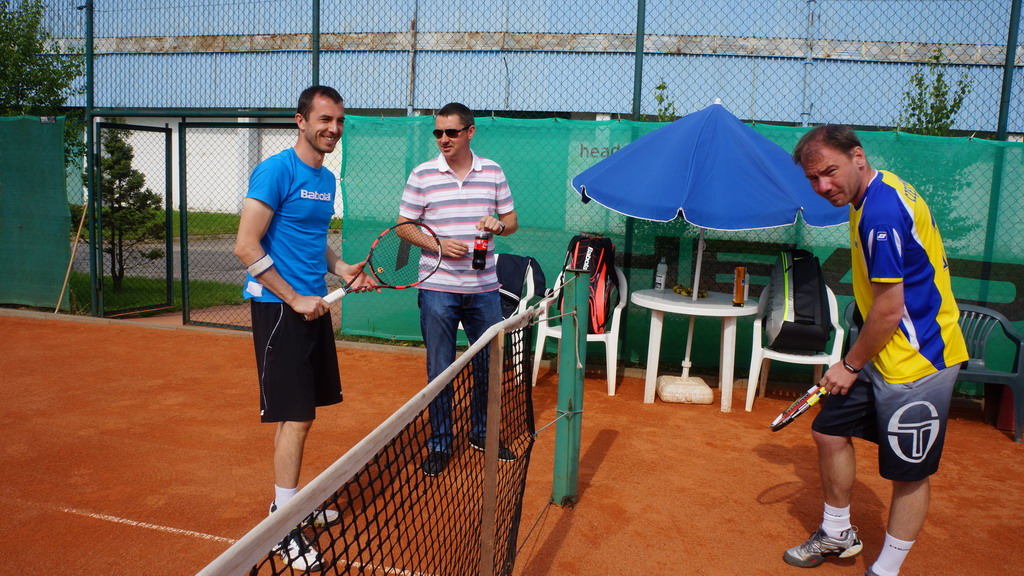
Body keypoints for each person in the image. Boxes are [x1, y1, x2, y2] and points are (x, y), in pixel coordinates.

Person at [785, 125, 968, 576]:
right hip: (886, 350)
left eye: (830, 172)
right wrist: (857, 359)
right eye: (813, 179)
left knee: (908, 473)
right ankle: (837, 533)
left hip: (919, 360)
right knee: (829, 431)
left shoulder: (880, 213)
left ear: (857, 157)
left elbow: (889, 309)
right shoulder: (869, 193)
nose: (824, 186)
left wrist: (849, 364)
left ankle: (885, 570)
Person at [233, 85, 374, 571]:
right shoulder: (276, 170)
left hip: (312, 309)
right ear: (300, 121)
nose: (332, 128)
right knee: (294, 418)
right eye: (324, 120)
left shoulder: (327, 179)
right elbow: (246, 247)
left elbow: (316, 242)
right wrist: (293, 298)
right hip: (279, 312)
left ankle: (284, 504)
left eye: (338, 121)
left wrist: (343, 268)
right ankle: (283, 528)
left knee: (304, 415)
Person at [396, 102, 519, 477]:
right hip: (437, 288)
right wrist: (438, 245)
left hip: (484, 289)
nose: (444, 139)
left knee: (486, 364)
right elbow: (403, 226)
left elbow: (511, 221)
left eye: (451, 132)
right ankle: (440, 442)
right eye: (438, 132)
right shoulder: (422, 174)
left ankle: (483, 434)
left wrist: (498, 226)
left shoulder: (493, 171)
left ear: (470, 132)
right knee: (440, 367)